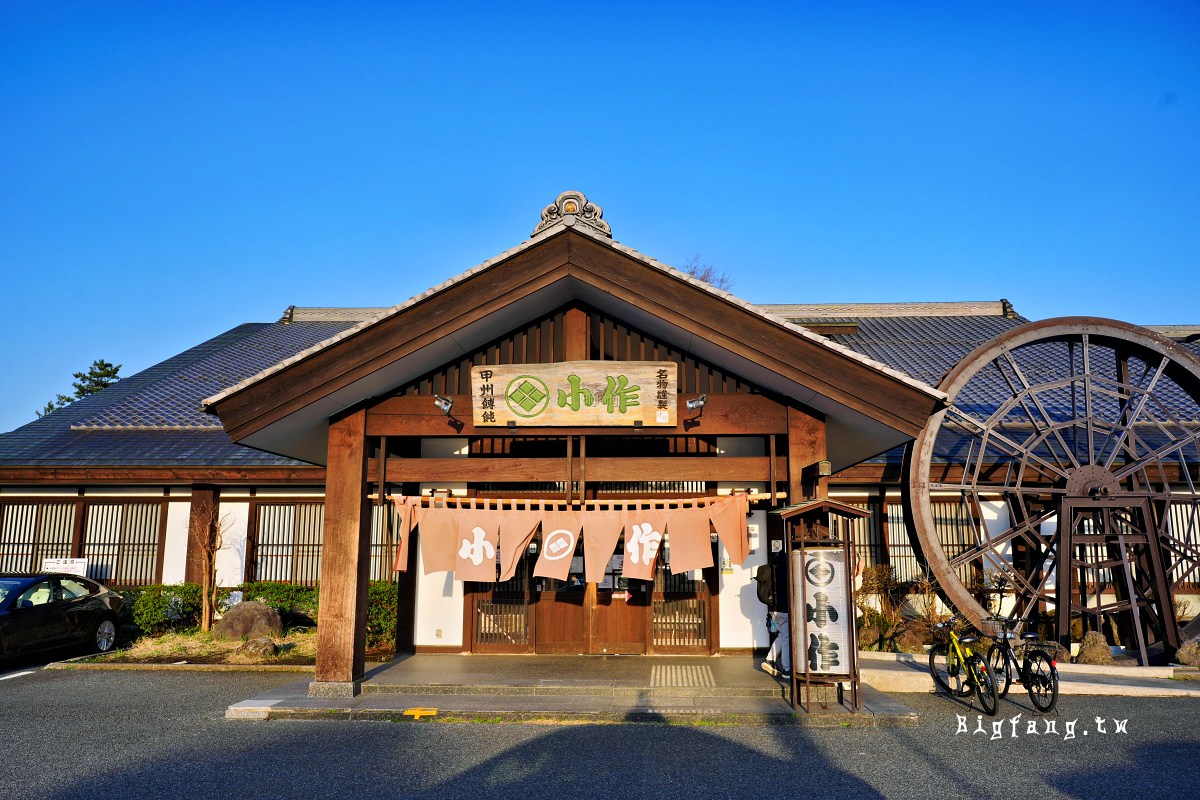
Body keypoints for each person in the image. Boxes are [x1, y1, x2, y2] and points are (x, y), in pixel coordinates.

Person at [761, 544, 791, 680]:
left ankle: (770, 659)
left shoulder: (774, 565)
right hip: (783, 607)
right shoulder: (786, 565)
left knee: (782, 635)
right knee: (786, 637)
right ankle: (787, 669)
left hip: (773, 607)